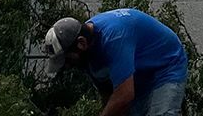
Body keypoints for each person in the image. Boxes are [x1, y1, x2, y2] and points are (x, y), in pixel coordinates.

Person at [45, 8, 189, 116]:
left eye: (67, 59)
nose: (67, 65)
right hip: (137, 74)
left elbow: (125, 95)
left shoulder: (114, 38)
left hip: (166, 65)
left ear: (81, 43)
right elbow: (109, 94)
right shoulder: (86, 55)